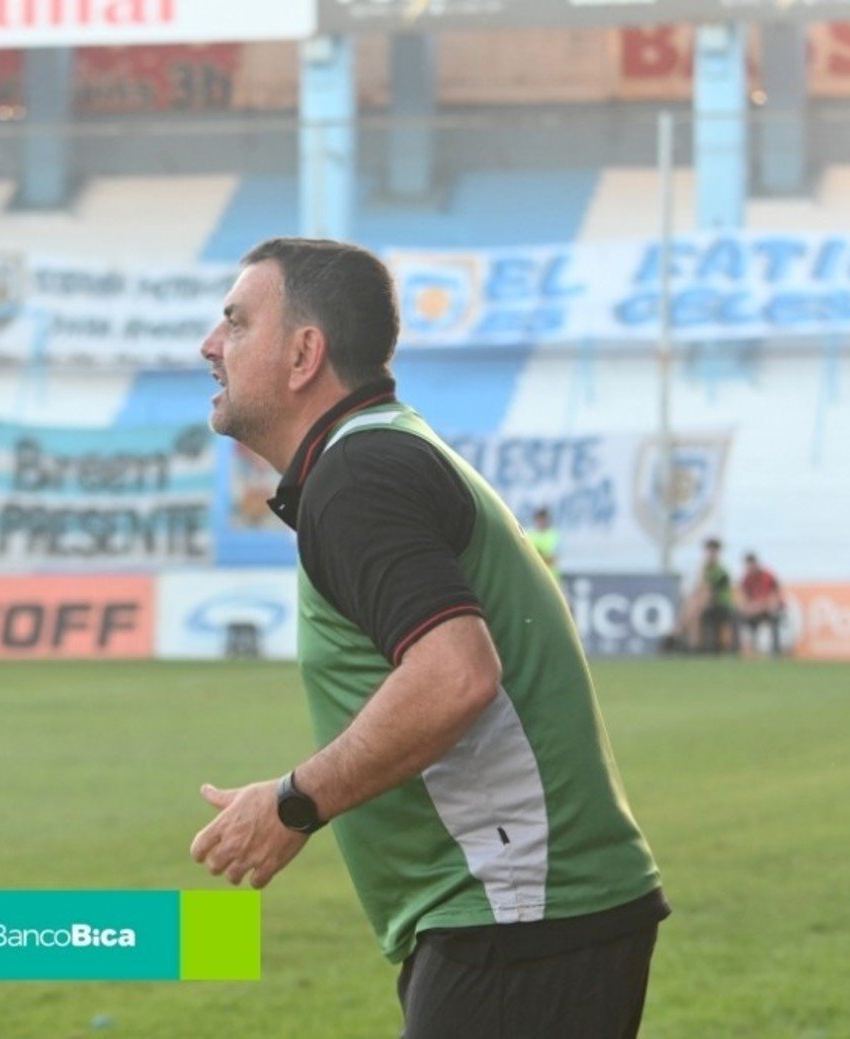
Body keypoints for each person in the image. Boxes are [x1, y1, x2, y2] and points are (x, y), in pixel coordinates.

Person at [189, 238, 668, 1038]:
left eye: (235, 323)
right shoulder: (377, 453)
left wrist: (293, 802)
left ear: (305, 352)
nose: (210, 344)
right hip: (522, 912)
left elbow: (454, 675)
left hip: (517, 915)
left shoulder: (360, 475)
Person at [737, 552, 785, 657]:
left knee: (774, 617)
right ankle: (743, 650)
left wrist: (760, 606)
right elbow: (743, 600)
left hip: (769, 609)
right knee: (739, 617)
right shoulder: (746, 579)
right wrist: (749, 608)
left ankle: (776, 651)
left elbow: (774, 598)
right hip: (755, 611)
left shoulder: (767, 576)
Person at [525, 506, 562, 584]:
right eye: (539, 518)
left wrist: (538, 556)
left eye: (544, 518)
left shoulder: (554, 535)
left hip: (551, 579)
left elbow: (554, 559)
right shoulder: (529, 535)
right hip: (535, 578)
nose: (542, 521)